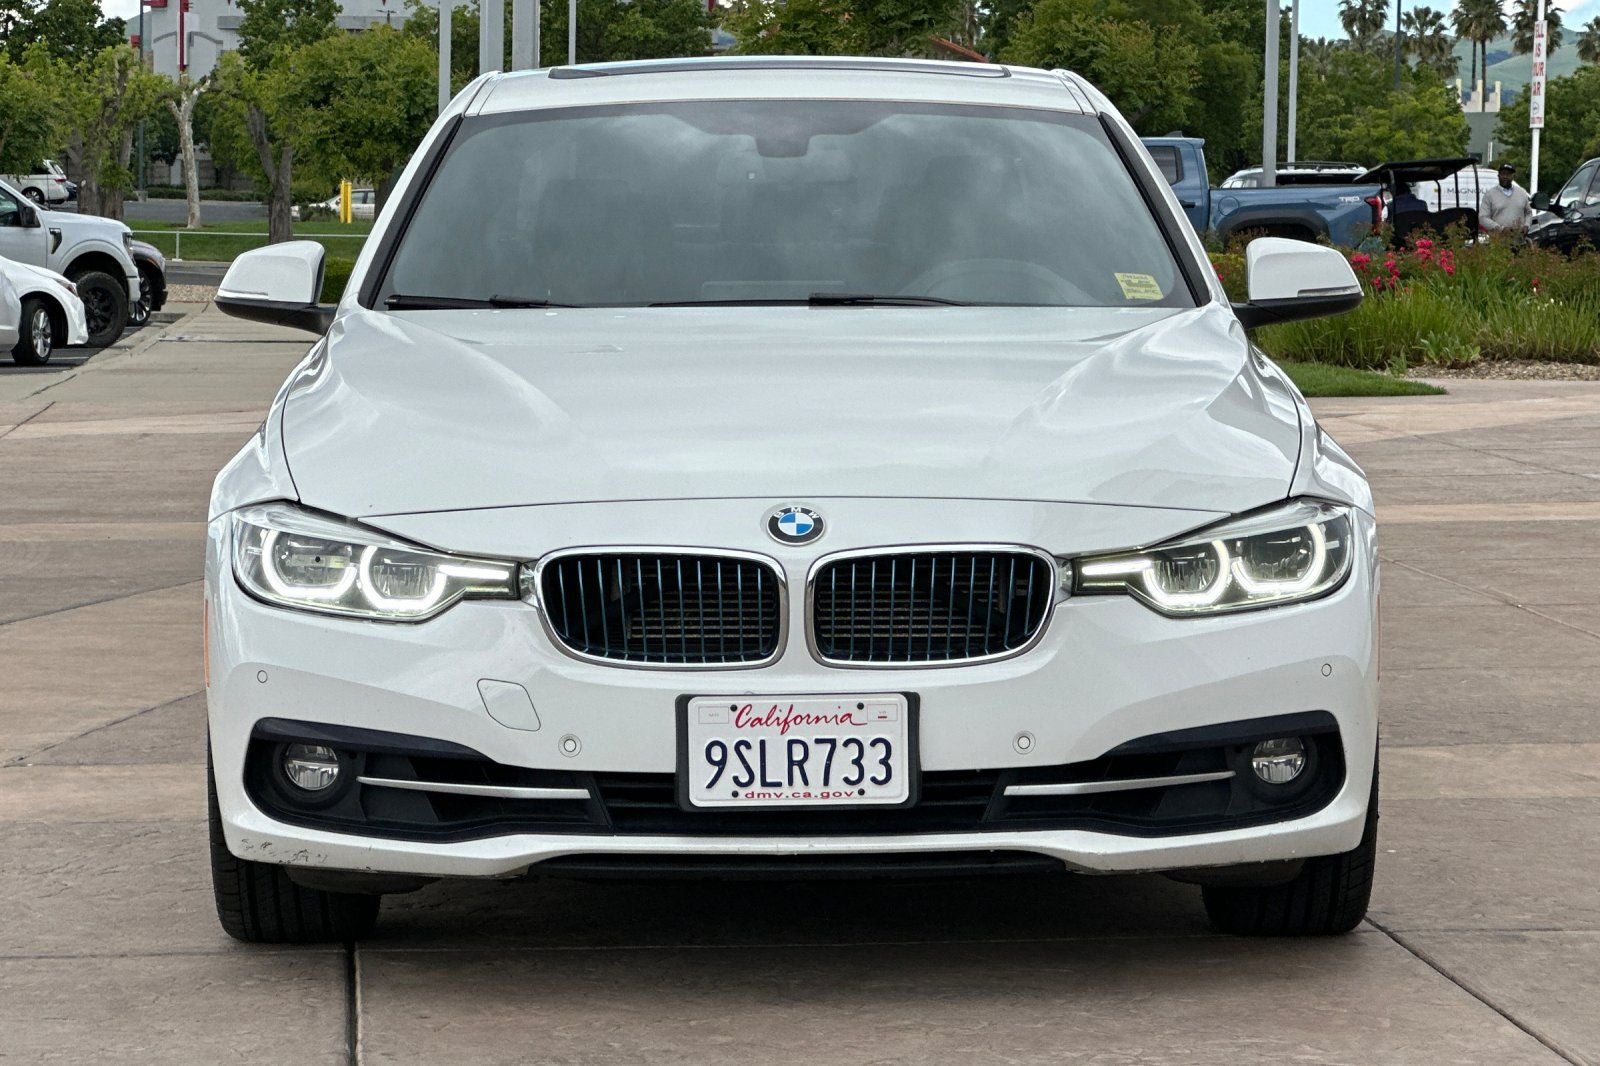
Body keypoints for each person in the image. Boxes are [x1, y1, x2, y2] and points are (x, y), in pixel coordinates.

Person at [1480, 163, 1532, 235]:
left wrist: (1527, 225)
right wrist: (1501, 229)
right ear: (1498, 176)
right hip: (1498, 241)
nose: (1505, 177)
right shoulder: (1490, 194)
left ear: (1513, 176)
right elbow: (1483, 218)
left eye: (1508, 174)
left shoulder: (1522, 192)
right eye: (1503, 174)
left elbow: (1528, 212)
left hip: (1519, 239)